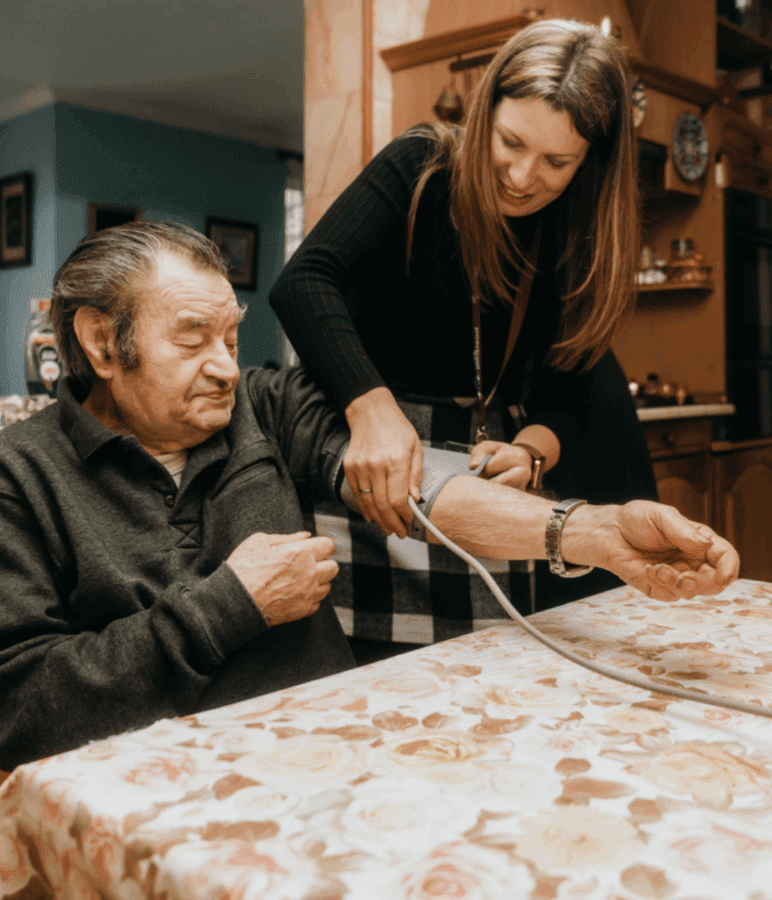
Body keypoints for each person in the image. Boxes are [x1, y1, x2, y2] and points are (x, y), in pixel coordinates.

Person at [0, 221, 737, 770]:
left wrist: (591, 532)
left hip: (326, 761)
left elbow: (423, 489)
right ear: (103, 342)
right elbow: (11, 708)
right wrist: (229, 605)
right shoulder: (10, 479)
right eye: (192, 337)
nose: (226, 368)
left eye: (232, 339)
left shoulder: (262, 408)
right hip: (150, 793)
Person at [270, 18, 658, 660]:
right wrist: (373, 412)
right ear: (486, 113)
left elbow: (572, 380)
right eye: (510, 141)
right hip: (372, 452)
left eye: (556, 161)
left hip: (481, 469)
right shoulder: (421, 165)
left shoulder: (577, 227)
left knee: (486, 676)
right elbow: (305, 282)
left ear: (590, 163)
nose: (522, 176)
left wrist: (532, 450)